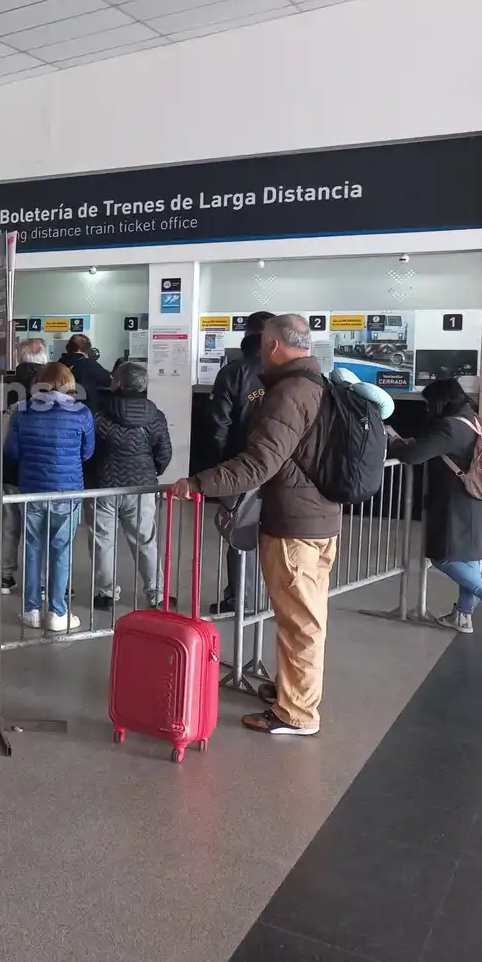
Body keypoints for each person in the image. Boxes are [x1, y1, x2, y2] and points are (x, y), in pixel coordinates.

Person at [176, 314, 339, 738]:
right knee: (305, 616)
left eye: (265, 342)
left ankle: (297, 713)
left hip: (293, 524)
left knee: (301, 621)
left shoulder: (289, 393)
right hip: (321, 518)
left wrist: (199, 482)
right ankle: (293, 692)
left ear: (272, 345)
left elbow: (259, 463)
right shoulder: (324, 383)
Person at [388, 379, 482, 637]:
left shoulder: (448, 426)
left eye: (428, 403)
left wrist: (393, 442)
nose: (426, 408)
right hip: (477, 499)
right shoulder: (472, 418)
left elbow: (413, 455)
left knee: (443, 557)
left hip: (456, 504)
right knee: (469, 560)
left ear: (440, 402)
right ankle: (463, 616)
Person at [5, 363, 94, 631]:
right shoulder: (81, 412)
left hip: (31, 489)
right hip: (67, 491)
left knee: (32, 548)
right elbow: (87, 452)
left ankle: (31, 609)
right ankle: (57, 612)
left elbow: (12, 451)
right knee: (62, 550)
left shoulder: (22, 410)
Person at [88, 362, 171, 611]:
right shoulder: (155, 416)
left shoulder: (99, 414)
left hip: (104, 486)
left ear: (120, 383)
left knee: (103, 540)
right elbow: (164, 452)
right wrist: (151, 472)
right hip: (141, 488)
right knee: (145, 539)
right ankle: (157, 593)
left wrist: (93, 473)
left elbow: (89, 451)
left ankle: (106, 593)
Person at [207, 311, 274, 615]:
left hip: (240, 467)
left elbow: (218, 426)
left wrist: (220, 469)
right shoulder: (286, 372)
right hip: (280, 466)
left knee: (238, 535)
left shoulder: (234, 372)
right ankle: (268, 597)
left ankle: (239, 598)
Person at [0, 338, 50, 594]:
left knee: (11, 525)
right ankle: (39, 583)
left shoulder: (4, 384)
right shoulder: (50, 386)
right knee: (38, 530)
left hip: (10, 469)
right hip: (39, 471)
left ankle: (6, 576)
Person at [58, 333, 111, 403]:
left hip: (62, 406)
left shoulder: (58, 363)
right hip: (83, 408)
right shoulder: (89, 363)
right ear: (87, 349)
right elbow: (107, 380)